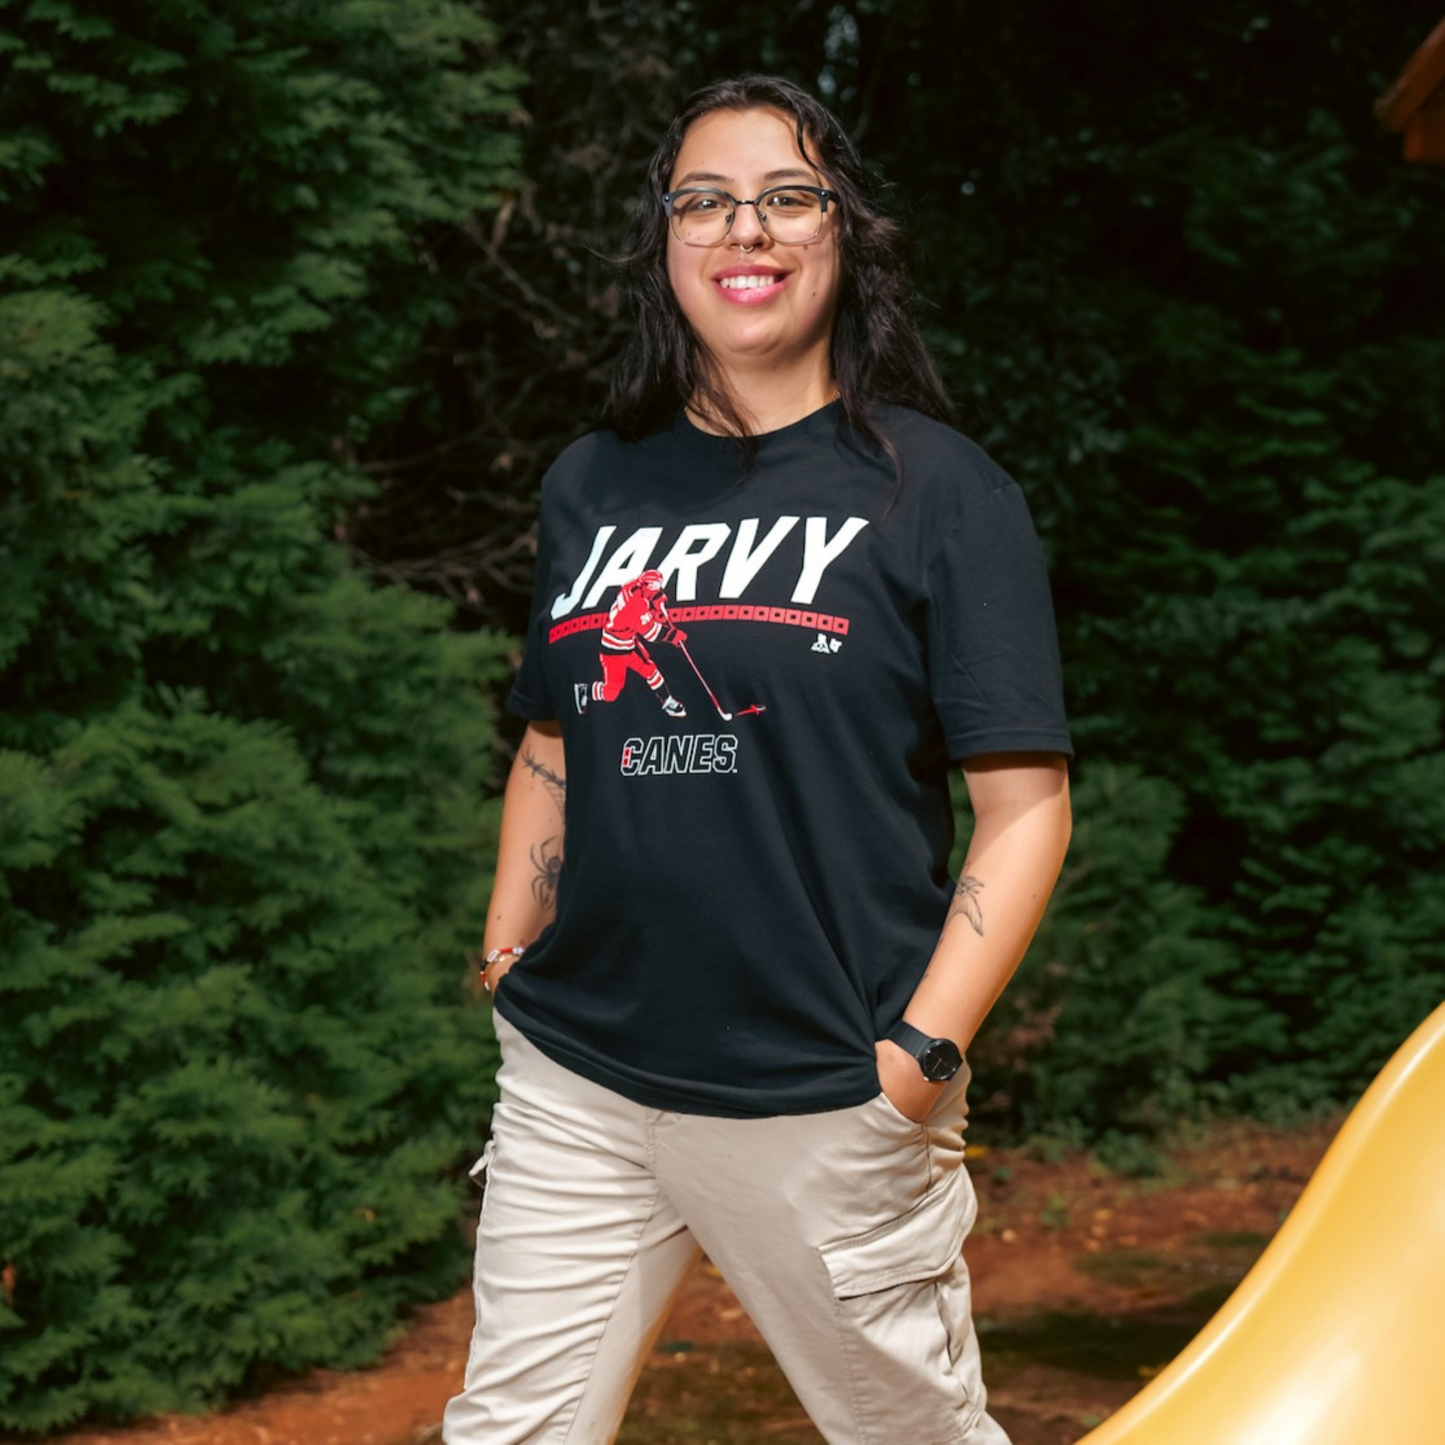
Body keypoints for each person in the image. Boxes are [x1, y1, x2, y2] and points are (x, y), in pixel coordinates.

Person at [443, 73, 1073, 1445]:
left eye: (790, 198)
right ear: (664, 245)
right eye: (706, 202)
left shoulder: (941, 492)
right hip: (581, 1074)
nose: (749, 231)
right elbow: (555, 730)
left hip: (821, 1090)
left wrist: (917, 1053)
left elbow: (1025, 810)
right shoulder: (592, 486)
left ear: (846, 236)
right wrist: (509, 938)